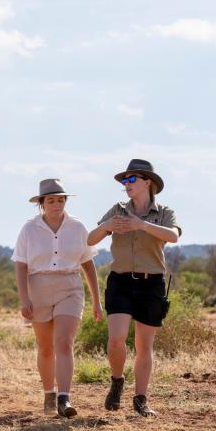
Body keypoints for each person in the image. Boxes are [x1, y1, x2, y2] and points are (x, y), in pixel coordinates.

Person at [87, 159, 181, 417]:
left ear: (147, 182)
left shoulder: (164, 212)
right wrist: (106, 226)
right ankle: (117, 381)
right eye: (124, 181)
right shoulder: (117, 210)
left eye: (131, 180)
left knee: (144, 346)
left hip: (151, 284)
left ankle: (141, 399)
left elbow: (173, 236)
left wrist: (142, 225)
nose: (126, 185)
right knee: (116, 340)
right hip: (120, 282)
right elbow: (89, 239)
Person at [12, 179, 102, 417]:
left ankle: (64, 398)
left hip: (70, 287)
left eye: (60, 199)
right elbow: (20, 266)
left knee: (63, 342)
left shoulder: (78, 227)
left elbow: (88, 264)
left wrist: (97, 300)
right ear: (41, 203)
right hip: (38, 286)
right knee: (45, 348)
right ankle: (48, 393)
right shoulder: (29, 229)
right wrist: (24, 299)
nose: (56, 204)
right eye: (51, 200)